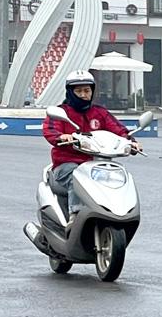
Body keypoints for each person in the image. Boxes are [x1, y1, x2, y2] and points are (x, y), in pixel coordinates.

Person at [42, 70, 140, 224]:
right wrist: (62, 137)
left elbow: (118, 130)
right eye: (79, 91)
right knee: (76, 177)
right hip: (67, 163)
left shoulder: (100, 113)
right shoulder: (61, 112)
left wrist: (131, 142)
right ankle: (75, 217)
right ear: (70, 92)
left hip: (97, 163)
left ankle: (119, 212)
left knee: (118, 178)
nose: (83, 95)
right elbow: (51, 129)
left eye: (87, 90)